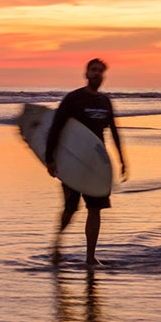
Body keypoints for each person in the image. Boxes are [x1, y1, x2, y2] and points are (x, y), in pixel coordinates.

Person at [46, 58, 127, 269]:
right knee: (71, 208)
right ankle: (57, 243)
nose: (97, 74)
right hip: (73, 162)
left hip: (96, 164)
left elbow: (114, 132)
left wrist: (121, 159)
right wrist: (50, 158)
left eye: (100, 71)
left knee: (95, 209)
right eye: (93, 70)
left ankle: (90, 256)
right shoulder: (73, 99)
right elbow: (56, 128)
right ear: (86, 74)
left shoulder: (105, 102)